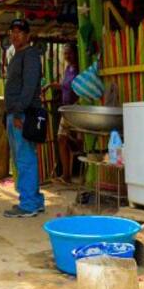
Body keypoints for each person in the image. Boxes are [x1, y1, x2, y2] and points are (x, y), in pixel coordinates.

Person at [3, 17, 44, 218]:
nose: (15, 35)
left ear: (28, 35)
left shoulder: (30, 55)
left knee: (25, 158)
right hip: (15, 113)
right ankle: (34, 200)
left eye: (19, 31)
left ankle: (28, 205)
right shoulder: (17, 55)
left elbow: (28, 88)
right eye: (13, 31)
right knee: (23, 158)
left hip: (23, 114)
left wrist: (18, 113)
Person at [46, 43, 83, 184]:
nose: (67, 56)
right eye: (65, 54)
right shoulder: (68, 69)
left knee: (78, 142)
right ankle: (66, 175)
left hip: (76, 109)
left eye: (70, 53)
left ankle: (77, 172)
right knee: (61, 138)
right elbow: (64, 86)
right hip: (66, 110)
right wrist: (49, 85)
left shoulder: (79, 69)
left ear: (75, 54)